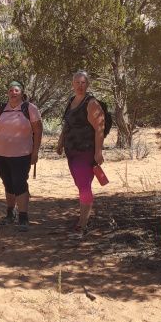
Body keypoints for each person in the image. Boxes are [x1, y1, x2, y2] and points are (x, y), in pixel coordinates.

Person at [0, 81, 43, 232]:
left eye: (16, 90)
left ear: (22, 93)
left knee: (20, 183)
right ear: (7, 93)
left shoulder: (30, 108)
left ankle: (23, 217)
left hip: (22, 154)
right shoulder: (1, 108)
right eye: (11, 90)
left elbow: (38, 131)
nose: (13, 92)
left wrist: (35, 152)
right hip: (0, 154)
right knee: (8, 183)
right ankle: (10, 213)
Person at [56, 70, 105, 236]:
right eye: (77, 82)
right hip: (72, 151)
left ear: (88, 84)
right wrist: (61, 142)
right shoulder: (71, 101)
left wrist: (98, 152)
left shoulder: (91, 103)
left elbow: (99, 129)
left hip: (86, 151)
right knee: (80, 185)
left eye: (83, 82)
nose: (80, 86)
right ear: (72, 84)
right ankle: (83, 218)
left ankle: (82, 224)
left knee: (84, 186)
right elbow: (67, 124)